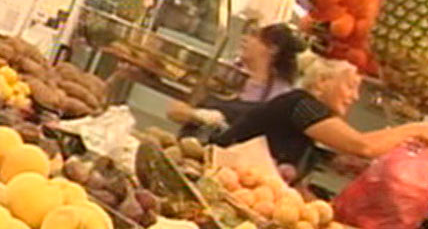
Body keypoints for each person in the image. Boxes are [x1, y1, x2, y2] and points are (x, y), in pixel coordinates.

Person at [211, 56, 428, 178]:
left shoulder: (306, 118)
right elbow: (362, 146)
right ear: (322, 81)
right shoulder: (301, 104)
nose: (355, 97)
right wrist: (417, 129)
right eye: (350, 86)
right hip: (216, 174)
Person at [168, 23, 308, 131]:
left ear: (273, 49)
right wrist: (197, 116)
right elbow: (174, 111)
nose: (244, 39)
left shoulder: (281, 94)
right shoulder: (223, 73)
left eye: (254, 36)